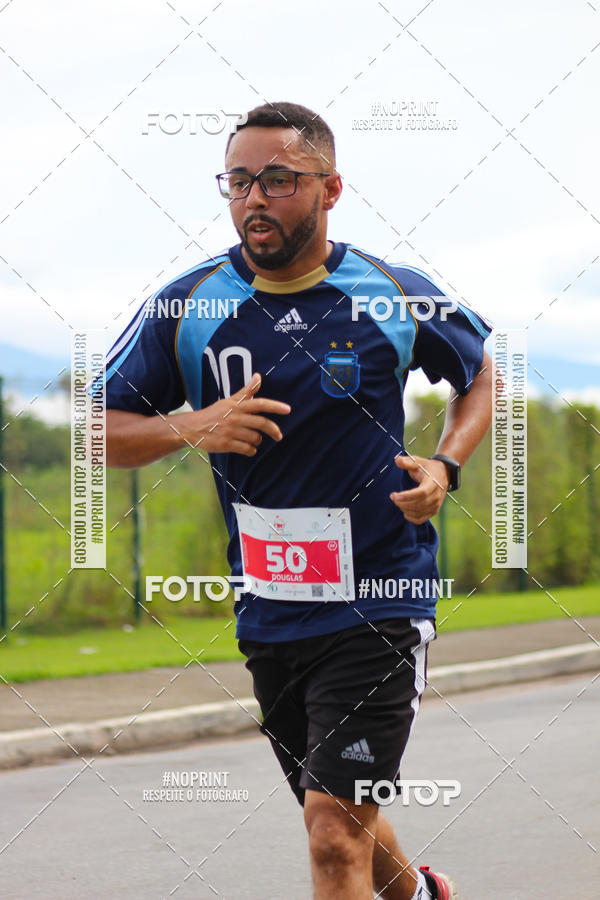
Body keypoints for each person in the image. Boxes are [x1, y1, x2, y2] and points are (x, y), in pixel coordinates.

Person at [105, 101, 493, 900]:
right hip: (270, 605)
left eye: (277, 179)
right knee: (337, 810)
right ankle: (418, 893)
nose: (254, 198)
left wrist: (446, 467)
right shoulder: (191, 307)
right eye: (238, 181)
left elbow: (482, 372)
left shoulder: (389, 293)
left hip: (380, 600)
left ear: (331, 187)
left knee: (329, 833)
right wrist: (194, 426)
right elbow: (95, 432)